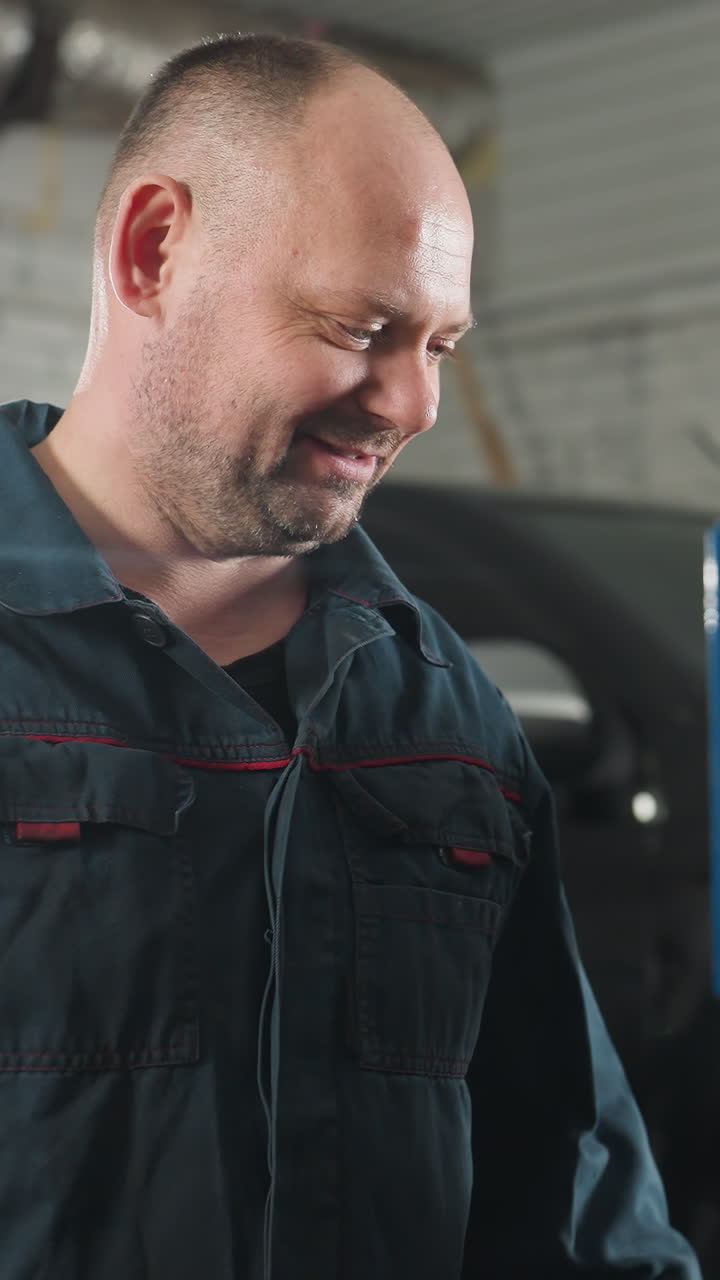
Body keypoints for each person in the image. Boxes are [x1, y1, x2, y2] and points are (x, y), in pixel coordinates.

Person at [0, 32, 700, 1280]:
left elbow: (571, 1189)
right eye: (362, 323)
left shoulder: (442, 712)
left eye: (439, 345)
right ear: (153, 250)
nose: (416, 404)